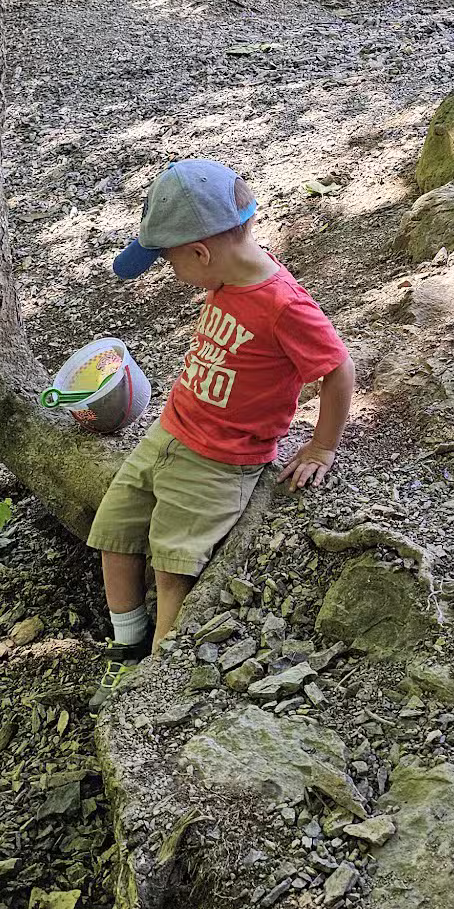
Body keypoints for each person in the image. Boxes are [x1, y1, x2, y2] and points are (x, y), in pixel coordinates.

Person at [87, 158, 354, 660]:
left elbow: (338, 369)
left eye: (170, 261)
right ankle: (126, 644)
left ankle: (154, 672)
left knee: (171, 567)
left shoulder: (284, 305)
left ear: (201, 252)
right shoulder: (226, 277)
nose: (171, 271)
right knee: (114, 533)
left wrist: (322, 446)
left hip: (220, 458)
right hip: (170, 431)